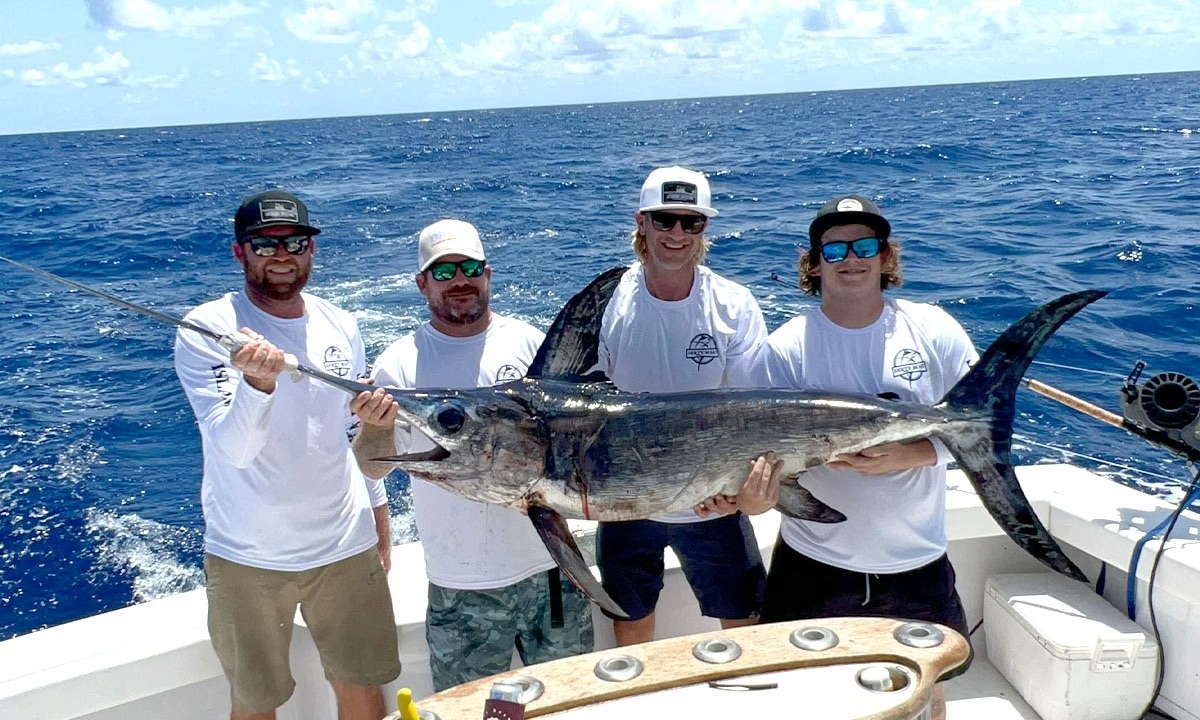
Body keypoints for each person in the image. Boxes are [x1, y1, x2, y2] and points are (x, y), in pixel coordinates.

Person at [742, 194, 977, 720]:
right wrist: (757, 496)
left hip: (916, 560)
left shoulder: (934, 328)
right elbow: (761, 459)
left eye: (865, 245)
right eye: (835, 248)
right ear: (814, 262)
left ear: (886, 256)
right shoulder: (786, 348)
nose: (852, 259)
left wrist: (915, 453)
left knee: (928, 692)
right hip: (813, 562)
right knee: (798, 694)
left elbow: (982, 428)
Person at [173, 190, 400, 720]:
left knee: (364, 690)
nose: (282, 255)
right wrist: (256, 384)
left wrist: (379, 520)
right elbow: (233, 448)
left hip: (346, 546)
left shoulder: (340, 322)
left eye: (294, 242)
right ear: (240, 252)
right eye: (265, 244)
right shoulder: (207, 329)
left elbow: (350, 434)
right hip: (247, 557)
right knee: (255, 703)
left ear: (312, 250)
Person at [351, 218, 594, 692]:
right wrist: (373, 426)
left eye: (469, 268)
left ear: (488, 273)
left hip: (549, 569)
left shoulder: (530, 345)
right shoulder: (397, 364)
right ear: (422, 284)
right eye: (443, 272)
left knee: (570, 703)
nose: (459, 281)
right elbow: (371, 463)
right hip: (461, 586)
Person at [593, 166, 769, 646]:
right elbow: (584, 408)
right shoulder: (607, 303)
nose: (677, 233)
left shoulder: (734, 304)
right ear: (642, 223)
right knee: (629, 622)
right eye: (664, 219)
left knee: (745, 623)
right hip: (627, 502)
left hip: (713, 503)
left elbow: (756, 414)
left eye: (690, 222)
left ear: (704, 229)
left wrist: (738, 491)